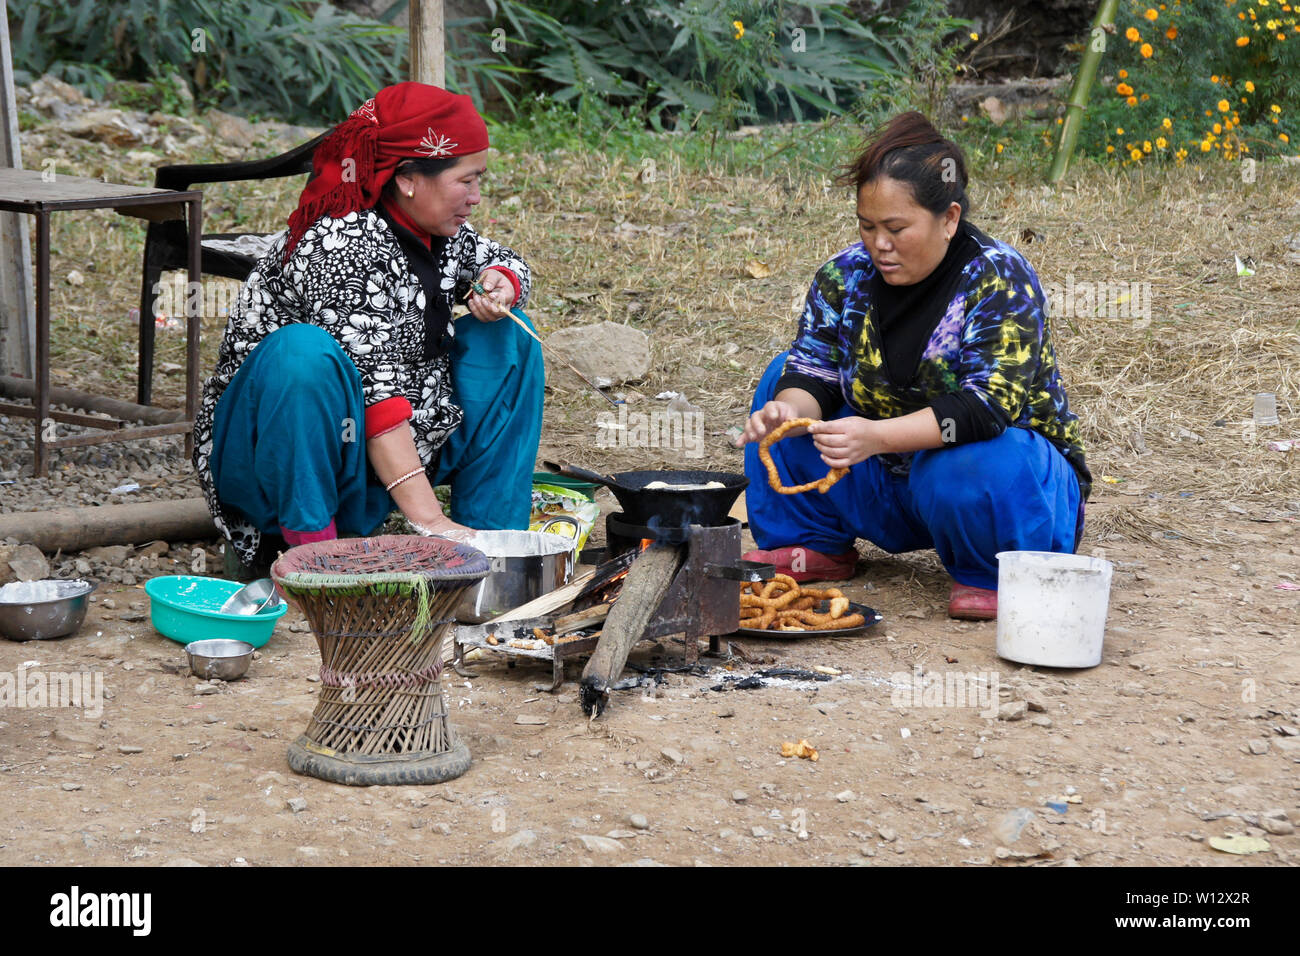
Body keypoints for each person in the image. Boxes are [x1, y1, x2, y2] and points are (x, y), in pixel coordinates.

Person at [738, 112, 1090, 620]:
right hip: (886, 479)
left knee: (974, 457)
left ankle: (994, 568)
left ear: (949, 218)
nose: (879, 244)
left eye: (897, 228)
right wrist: (785, 411)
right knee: (779, 377)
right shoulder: (844, 276)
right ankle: (811, 540)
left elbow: (984, 410)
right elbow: (813, 369)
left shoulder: (999, 279)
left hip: (998, 487)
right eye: (867, 226)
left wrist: (876, 437)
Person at [192, 83, 543, 574]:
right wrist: (430, 521)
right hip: (281, 457)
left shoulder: (435, 230)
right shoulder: (338, 243)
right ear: (408, 180)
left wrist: (500, 283)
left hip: (375, 450)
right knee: (302, 354)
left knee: (510, 337)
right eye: (467, 181)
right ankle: (311, 554)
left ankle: (489, 543)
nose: (477, 197)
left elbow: (508, 263)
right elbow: (376, 399)